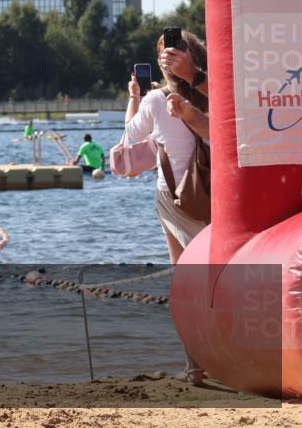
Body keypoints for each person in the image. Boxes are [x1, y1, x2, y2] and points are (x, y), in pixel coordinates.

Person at [125, 30, 209, 386]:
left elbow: (130, 137)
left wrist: (136, 97)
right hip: (217, 195)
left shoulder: (157, 100)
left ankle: (195, 366)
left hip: (175, 199)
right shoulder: (215, 92)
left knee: (184, 280)